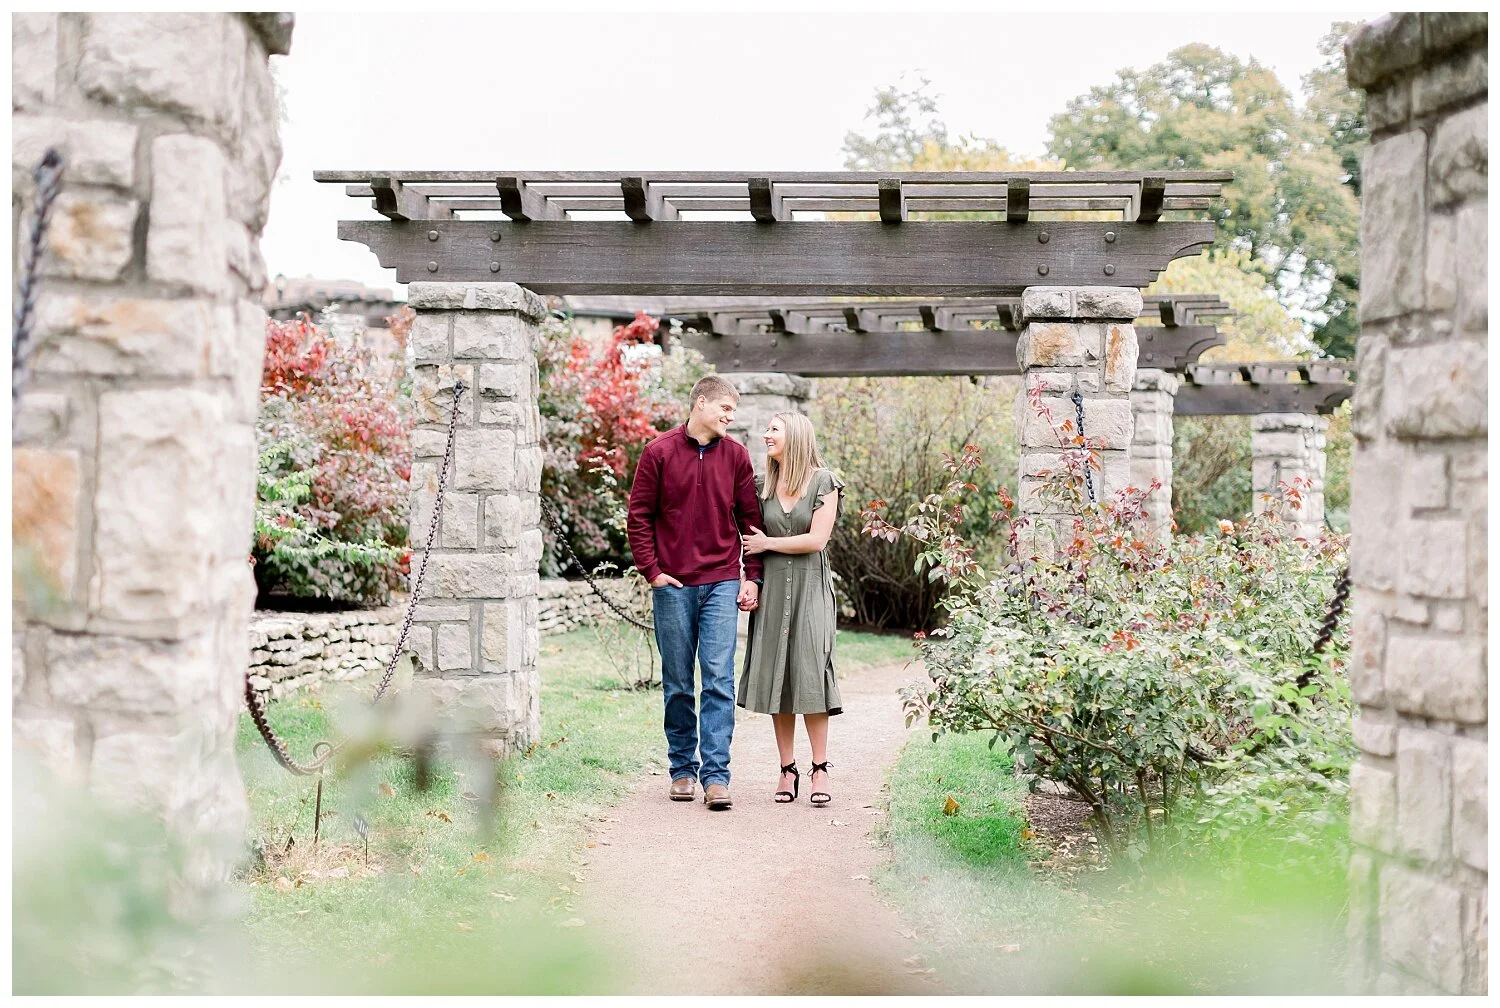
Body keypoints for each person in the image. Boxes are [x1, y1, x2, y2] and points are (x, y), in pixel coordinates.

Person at [627, 375, 762, 811]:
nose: (730, 417)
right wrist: (652, 571)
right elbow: (639, 516)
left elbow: (750, 521)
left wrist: (752, 576)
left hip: (721, 581)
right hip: (674, 585)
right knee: (679, 683)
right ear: (701, 402)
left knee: (719, 679)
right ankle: (682, 770)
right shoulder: (658, 452)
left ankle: (717, 777)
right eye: (725, 408)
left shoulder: (736, 456)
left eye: (733, 411)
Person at [737, 412, 845, 807]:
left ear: (795, 436)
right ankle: (787, 768)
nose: (766, 435)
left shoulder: (824, 482)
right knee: (776, 676)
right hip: (773, 589)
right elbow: (748, 542)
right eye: (767, 429)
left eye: (774, 429)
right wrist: (750, 579)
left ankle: (820, 768)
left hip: (810, 589)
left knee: (810, 673)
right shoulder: (760, 487)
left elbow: (817, 540)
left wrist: (769, 544)